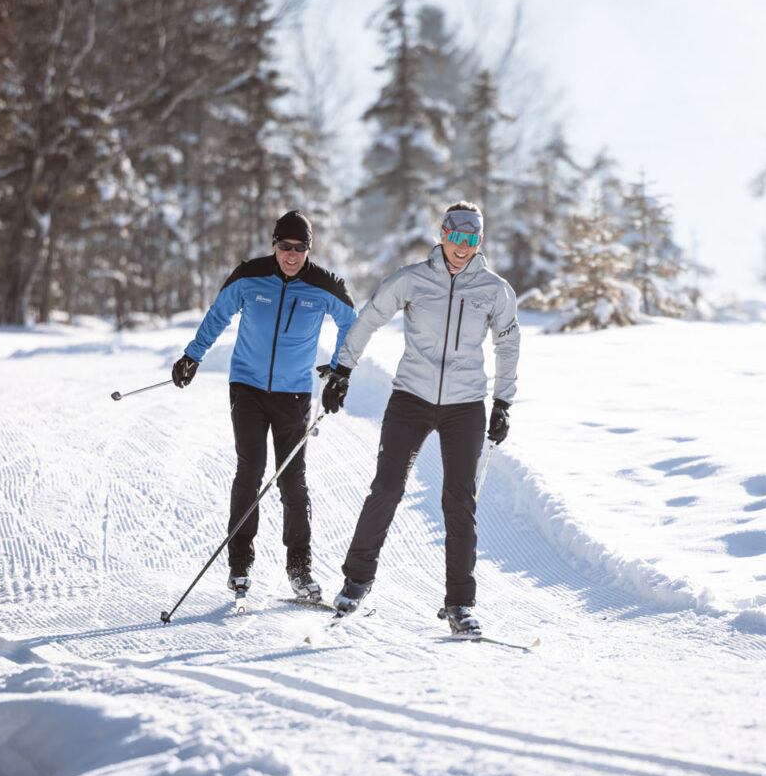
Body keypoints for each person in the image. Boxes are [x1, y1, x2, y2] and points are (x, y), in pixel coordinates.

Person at [319, 201, 520, 636]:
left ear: (479, 242)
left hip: (465, 406)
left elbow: (507, 345)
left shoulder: (494, 289)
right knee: (388, 487)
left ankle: (460, 604)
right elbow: (370, 317)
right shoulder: (412, 279)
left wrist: (502, 402)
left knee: (459, 502)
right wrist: (343, 369)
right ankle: (356, 581)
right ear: (443, 233)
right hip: (411, 397)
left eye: (471, 239)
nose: (462, 247)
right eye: (456, 236)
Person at [171, 210, 357, 604]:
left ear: (309, 249)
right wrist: (193, 355)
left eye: (300, 247)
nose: (292, 254)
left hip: (294, 394)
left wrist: (341, 372)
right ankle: (240, 564)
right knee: (250, 469)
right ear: (274, 244)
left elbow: (353, 324)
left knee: (292, 480)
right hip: (247, 388)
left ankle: (299, 568)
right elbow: (218, 314)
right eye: (285, 246)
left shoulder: (325, 285)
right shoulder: (248, 276)